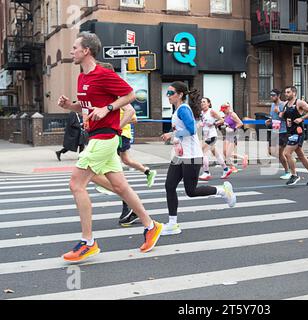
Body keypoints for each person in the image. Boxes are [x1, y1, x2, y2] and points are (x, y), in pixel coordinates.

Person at [57, 31, 162, 262]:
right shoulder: (81, 78)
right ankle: (151, 225)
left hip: (105, 138)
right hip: (96, 135)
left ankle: (88, 242)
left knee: (76, 184)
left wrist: (109, 109)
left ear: (86, 51)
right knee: (121, 188)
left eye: (75, 48)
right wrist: (70, 106)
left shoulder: (103, 74)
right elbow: (85, 107)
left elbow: (130, 95)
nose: (72, 51)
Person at [160, 82, 236, 236]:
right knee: (169, 186)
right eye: (167, 93)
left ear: (180, 94)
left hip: (192, 156)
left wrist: (172, 135)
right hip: (180, 156)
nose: (168, 96)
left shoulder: (183, 109)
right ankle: (173, 224)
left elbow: (191, 129)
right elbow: (181, 128)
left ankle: (223, 191)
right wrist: (173, 136)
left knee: (191, 191)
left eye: (171, 93)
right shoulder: (177, 111)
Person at [92, 61, 157, 226]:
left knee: (93, 172)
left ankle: (130, 201)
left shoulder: (115, 92)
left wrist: (115, 128)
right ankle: (131, 205)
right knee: (111, 172)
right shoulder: (103, 92)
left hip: (116, 136)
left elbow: (131, 112)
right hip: (104, 138)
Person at [279, 86, 308, 186]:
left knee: (287, 153)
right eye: (285, 92)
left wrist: (302, 118)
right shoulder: (285, 104)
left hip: (298, 132)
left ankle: (294, 175)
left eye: (288, 92)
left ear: (294, 93)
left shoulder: (299, 102)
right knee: (300, 155)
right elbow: (284, 116)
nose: (286, 94)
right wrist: (277, 117)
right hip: (290, 132)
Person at [198, 97, 232, 180]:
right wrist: (201, 124)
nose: (202, 103)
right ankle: (226, 169)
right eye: (201, 102)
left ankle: (206, 172)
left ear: (209, 103)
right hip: (206, 136)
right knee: (215, 153)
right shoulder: (202, 113)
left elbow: (222, 120)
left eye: (204, 102)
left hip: (212, 136)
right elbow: (203, 122)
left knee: (202, 151)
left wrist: (214, 123)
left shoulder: (211, 111)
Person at [265, 89, 290, 180]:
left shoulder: (283, 105)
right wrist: (269, 121)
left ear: (278, 95)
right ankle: (289, 164)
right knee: (271, 151)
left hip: (283, 131)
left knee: (279, 152)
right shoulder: (272, 105)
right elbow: (273, 117)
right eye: (271, 95)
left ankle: (288, 171)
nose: (271, 97)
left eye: (273, 95)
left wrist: (279, 112)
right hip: (274, 130)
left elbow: (287, 118)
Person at [218, 102, 248, 173]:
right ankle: (234, 166)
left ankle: (242, 159)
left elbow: (240, 123)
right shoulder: (225, 115)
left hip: (233, 136)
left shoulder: (233, 114)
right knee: (225, 152)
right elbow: (227, 123)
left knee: (228, 154)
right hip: (227, 135)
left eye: (224, 110)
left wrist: (234, 128)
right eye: (222, 110)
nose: (223, 111)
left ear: (228, 108)